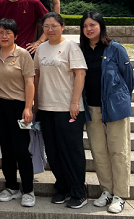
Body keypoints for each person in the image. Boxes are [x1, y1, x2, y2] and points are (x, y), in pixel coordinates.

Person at [80, 11, 134, 214]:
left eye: (92, 25)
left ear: (101, 26)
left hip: (114, 108)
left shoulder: (115, 49)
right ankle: (107, 190)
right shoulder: (81, 50)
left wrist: (120, 100)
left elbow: (128, 79)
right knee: (99, 151)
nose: (89, 29)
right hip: (92, 108)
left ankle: (120, 194)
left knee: (119, 151)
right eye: (85, 26)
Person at [34, 12, 87, 209]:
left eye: (54, 26)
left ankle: (78, 191)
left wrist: (75, 102)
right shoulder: (41, 49)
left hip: (68, 108)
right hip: (47, 107)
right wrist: (36, 103)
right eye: (46, 26)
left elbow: (80, 75)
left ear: (62, 26)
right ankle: (62, 187)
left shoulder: (71, 47)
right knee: (53, 150)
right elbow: (37, 76)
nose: (50, 29)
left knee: (71, 150)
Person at [0, 19, 36, 207]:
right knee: (6, 149)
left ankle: (29, 190)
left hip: (19, 107)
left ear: (16, 36)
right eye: (1, 32)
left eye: (8, 32)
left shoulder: (23, 54)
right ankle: (11, 187)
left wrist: (28, 107)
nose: (4, 36)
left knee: (21, 149)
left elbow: (30, 83)